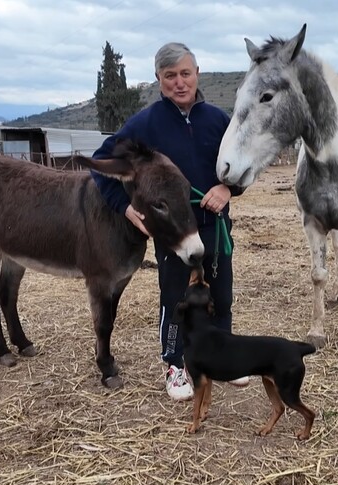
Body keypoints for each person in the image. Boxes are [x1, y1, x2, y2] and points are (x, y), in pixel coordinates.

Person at [90, 42, 247, 401]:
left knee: (221, 297)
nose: (179, 82)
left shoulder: (219, 121)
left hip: (214, 225)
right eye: (170, 76)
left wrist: (228, 189)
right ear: (159, 80)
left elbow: (243, 165)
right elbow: (102, 164)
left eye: (185, 73)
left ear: (197, 74)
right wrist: (125, 208)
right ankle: (175, 365)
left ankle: (222, 356)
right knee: (175, 299)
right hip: (173, 233)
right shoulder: (146, 123)